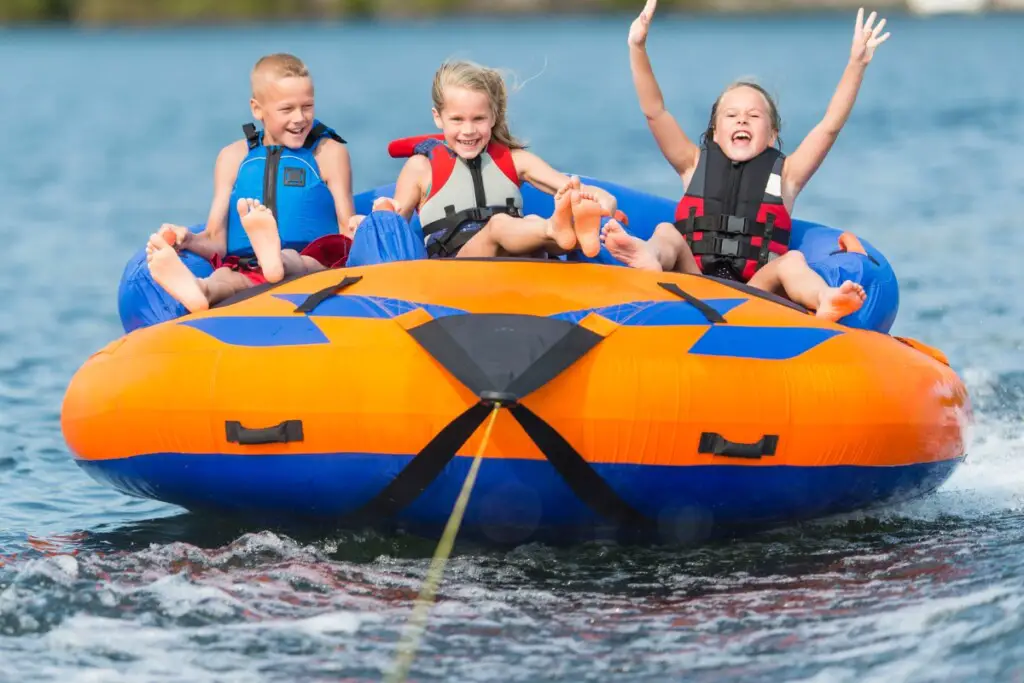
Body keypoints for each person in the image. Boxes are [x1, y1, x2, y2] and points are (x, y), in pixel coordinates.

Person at [601, 2, 890, 321]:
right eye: (731, 115)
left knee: (792, 261)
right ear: (714, 131)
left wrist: (856, 64)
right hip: (693, 277)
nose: (742, 121)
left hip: (756, 289)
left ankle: (825, 299)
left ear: (772, 134)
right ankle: (649, 258)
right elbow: (655, 111)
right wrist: (637, 47)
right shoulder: (692, 163)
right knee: (666, 232)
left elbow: (829, 126)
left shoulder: (788, 175)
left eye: (753, 116)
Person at [350, 59, 619, 265]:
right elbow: (393, 230)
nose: (468, 131)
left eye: (478, 119)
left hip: (523, 260)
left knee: (533, 229)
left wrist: (603, 202)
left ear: (493, 117)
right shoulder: (422, 168)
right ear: (438, 117)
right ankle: (556, 228)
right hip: (458, 267)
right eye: (457, 119)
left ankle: (567, 232)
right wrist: (375, 217)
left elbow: (575, 188)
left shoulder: (515, 160)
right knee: (500, 226)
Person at [146, 53, 356, 312]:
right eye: (287, 109)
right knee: (224, 277)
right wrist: (187, 240)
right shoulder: (233, 157)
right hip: (250, 264)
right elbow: (216, 239)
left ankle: (274, 261)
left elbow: (347, 232)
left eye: (308, 106)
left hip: (313, 266)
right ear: (257, 109)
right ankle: (200, 290)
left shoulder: (328, 154)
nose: (300, 118)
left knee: (294, 259)